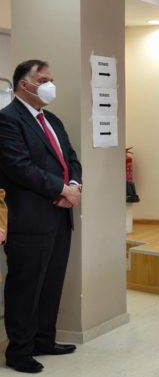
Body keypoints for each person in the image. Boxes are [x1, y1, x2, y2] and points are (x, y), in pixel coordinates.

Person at [0, 60, 82, 373]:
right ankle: (19, 351)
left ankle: (44, 340)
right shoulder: (8, 120)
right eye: (44, 80)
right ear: (24, 84)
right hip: (29, 219)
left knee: (51, 282)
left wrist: (74, 185)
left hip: (59, 216)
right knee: (26, 286)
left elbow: (71, 158)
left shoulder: (52, 120)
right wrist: (61, 189)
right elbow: (19, 167)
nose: (50, 85)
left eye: (51, 79)